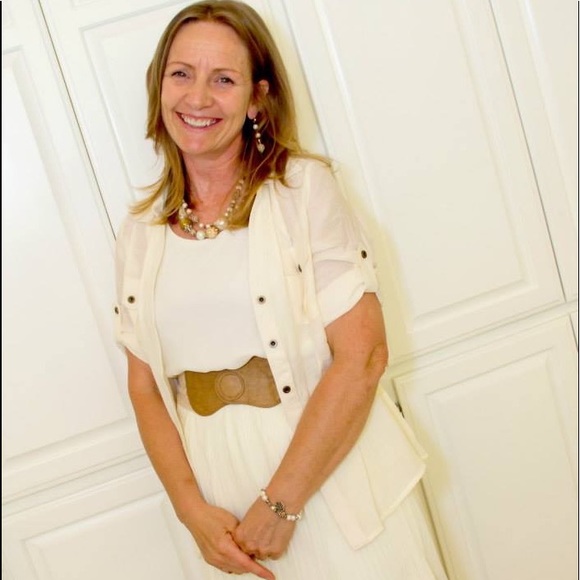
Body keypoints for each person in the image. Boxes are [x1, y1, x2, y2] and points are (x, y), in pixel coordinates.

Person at [114, 1, 448, 578]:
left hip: (330, 479)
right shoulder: (140, 231)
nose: (197, 97)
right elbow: (145, 387)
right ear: (159, 86)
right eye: (181, 73)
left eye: (224, 79)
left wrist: (280, 506)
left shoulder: (304, 190)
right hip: (222, 501)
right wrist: (191, 511)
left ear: (257, 98)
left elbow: (364, 356)